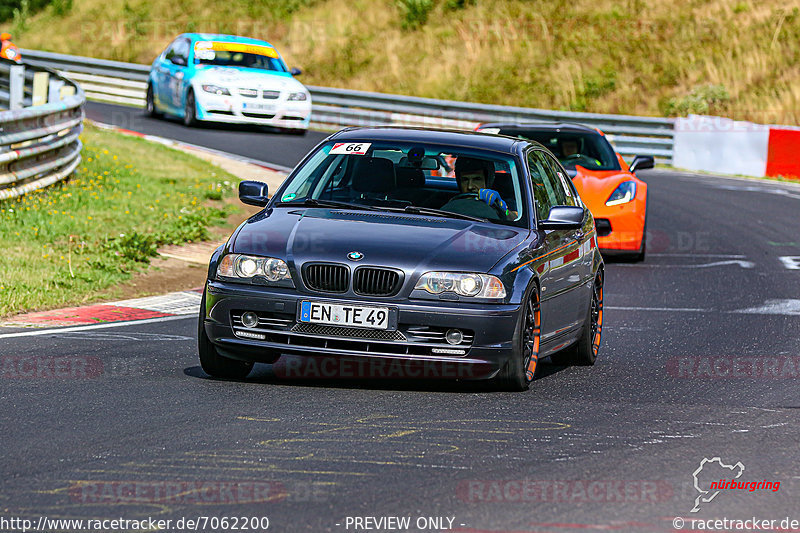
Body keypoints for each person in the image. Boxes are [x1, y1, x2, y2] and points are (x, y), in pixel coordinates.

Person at [440, 156, 513, 219]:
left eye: (477, 179)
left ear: (488, 180)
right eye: (465, 180)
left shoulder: (502, 201)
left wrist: (503, 210)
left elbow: (515, 220)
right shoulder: (451, 204)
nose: (470, 186)